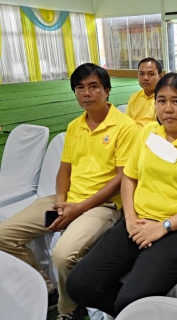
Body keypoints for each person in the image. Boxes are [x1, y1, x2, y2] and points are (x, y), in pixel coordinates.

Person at [66, 73, 177, 317]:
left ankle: (136, 310)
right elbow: (129, 177)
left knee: (131, 302)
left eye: (176, 101)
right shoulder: (149, 132)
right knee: (79, 285)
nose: (168, 109)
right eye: (161, 101)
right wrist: (129, 218)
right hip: (138, 222)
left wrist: (165, 226)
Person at [0, 63, 139, 320]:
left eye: (93, 86)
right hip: (66, 202)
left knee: (63, 255)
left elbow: (122, 179)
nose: (86, 93)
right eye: (80, 88)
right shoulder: (75, 126)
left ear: (107, 90)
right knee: (4, 236)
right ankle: (46, 289)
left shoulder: (125, 127)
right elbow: (64, 171)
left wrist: (79, 208)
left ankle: (69, 308)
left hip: (102, 207)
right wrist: (61, 203)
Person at [125, 58, 162, 129]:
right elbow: (127, 122)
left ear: (159, 76)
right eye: (141, 74)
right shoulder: (134, 97)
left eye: (151, 74)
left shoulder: (164, 99)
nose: (145, 78)